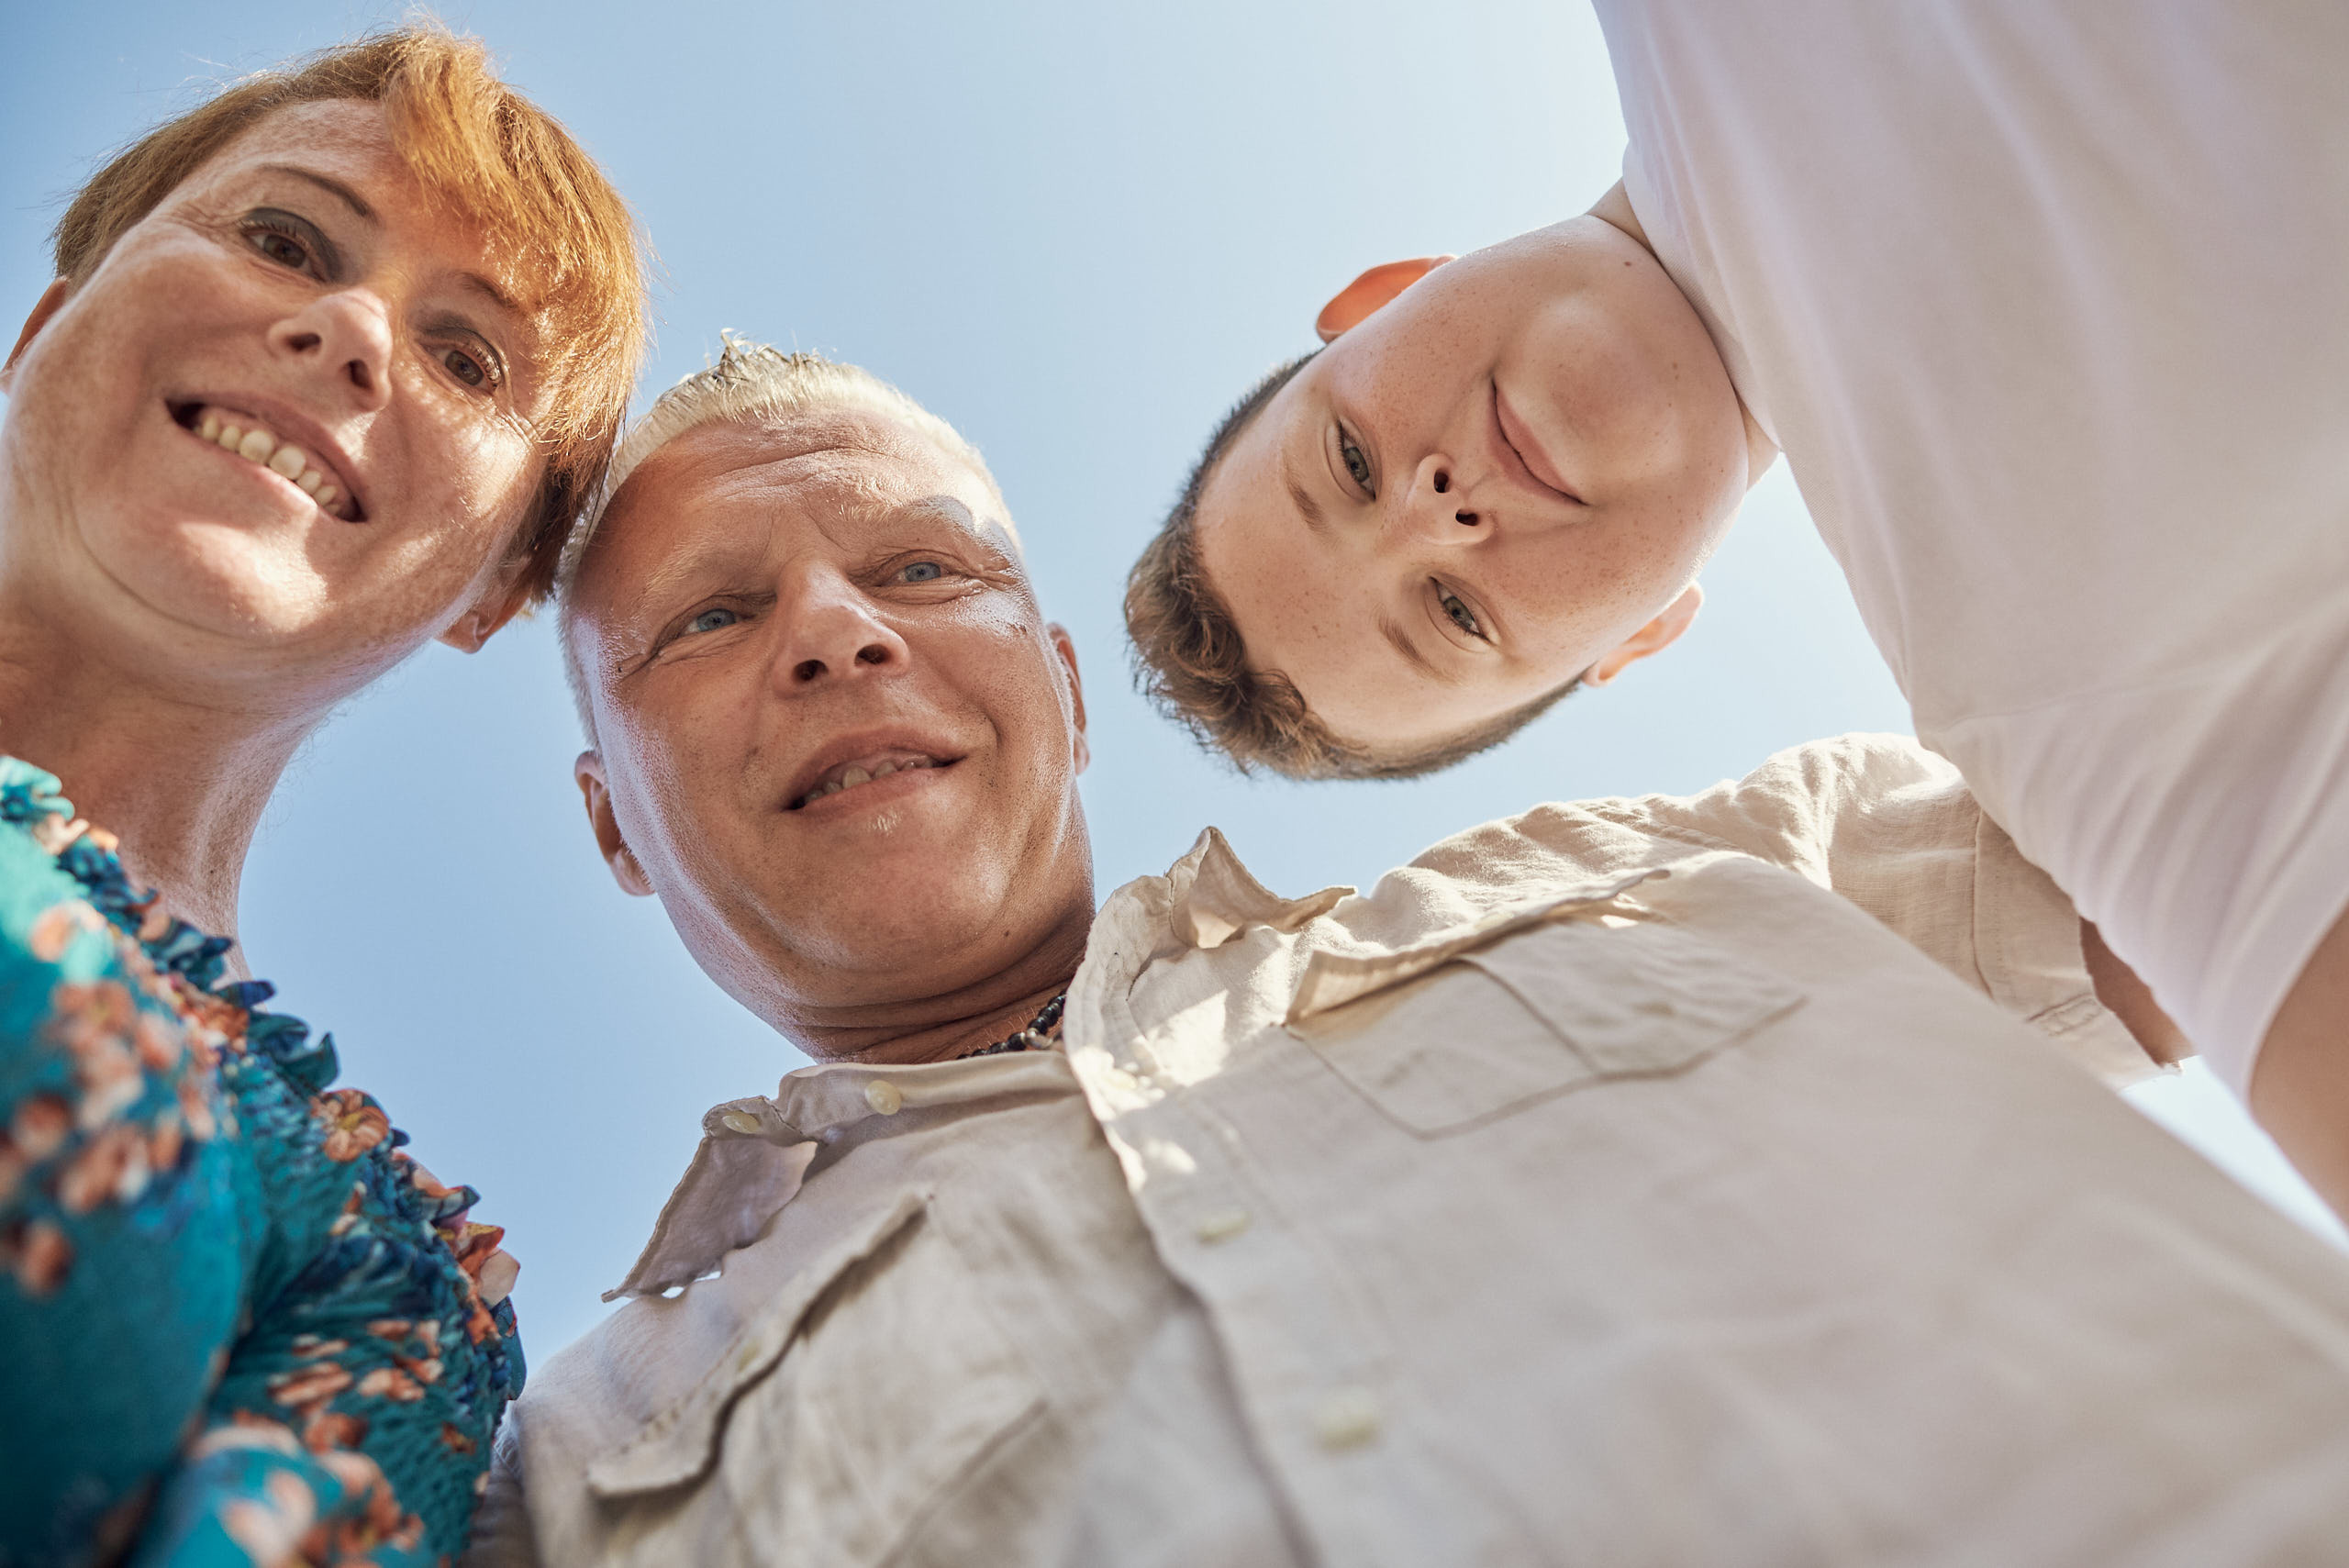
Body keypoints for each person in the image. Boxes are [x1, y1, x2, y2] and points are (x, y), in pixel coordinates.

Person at [467, 340, 2349, 1566]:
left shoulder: (1717, 866)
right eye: (709, 616)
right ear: (608, 820)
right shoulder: (556, 1479)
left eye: (925, 571)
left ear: (1058, 687)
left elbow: (2268, 777)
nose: (833, 633)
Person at [1125, 1, 2349, 1221]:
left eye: (1346, 460)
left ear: (1392, 290)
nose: (1435, 516)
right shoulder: (2067, 701)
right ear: (1640, 637)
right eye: (1452, 612)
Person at [0, 27, 646, 1565]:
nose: (353, 332)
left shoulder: (386, 1273)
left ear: (499, 584)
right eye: (285, 240)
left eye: (468, 356)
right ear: (47, 323)